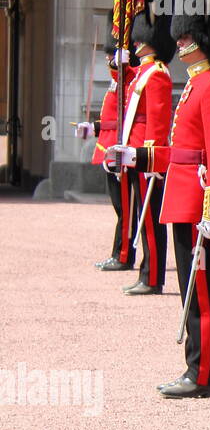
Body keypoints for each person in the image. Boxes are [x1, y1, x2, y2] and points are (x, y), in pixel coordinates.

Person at [109, 0, 210, 399]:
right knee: (191, 281)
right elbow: (180, 151)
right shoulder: (196, 84)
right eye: (181, 33)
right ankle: (195, 367)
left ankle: (203, 374)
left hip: (201, 202)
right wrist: (139, 154)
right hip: (182, 197)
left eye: (187, 34)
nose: (180, 39)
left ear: (204, 38)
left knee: (202, 287)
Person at [118, 3, 177, 296]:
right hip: (133, 150)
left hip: (146, 154)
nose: (137, 43)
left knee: (151, 220)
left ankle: (153, 277)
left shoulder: (158, 74)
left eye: (141, 39)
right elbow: (124, 91)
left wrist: (152, 159)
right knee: (142, 215)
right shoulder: (143, 72)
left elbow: (157, 120)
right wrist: (117, 63)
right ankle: (146, 271)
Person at [78, 22, 136, 272]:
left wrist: (120, 62)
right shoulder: (117, 84)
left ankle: (123, 254)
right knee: (120, 207)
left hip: (118, 152)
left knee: (125, 208)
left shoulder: (128, 80)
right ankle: (120, 251)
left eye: (111, 55)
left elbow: (125, 120)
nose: (108, 60)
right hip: (108, 149)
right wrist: (93, 128)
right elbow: (114, 119)